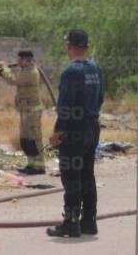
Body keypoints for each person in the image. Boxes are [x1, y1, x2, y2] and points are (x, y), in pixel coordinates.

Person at [47, 30, 104, 237]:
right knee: (87, 176)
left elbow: (65, 107)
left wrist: (57, 133)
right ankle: (89, 222)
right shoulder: (95, 69)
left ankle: (71, 224)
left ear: (69, 46)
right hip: (92, 128)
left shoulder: (71, 72)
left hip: (74, 131)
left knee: (72, 178)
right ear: (86, 47)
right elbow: (100, 99)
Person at [0, 50, 46, 175]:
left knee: (34, 139)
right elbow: (13, 80)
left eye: (20, 60)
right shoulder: (25, 70)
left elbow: (14, 81)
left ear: (27, 60)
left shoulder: (30, 72)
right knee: (26, 139)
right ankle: (32, 164)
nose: (18, 62)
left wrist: (5, 69)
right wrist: (2, 72)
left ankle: (39, 167)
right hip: (26, 110)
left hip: (32, 111)